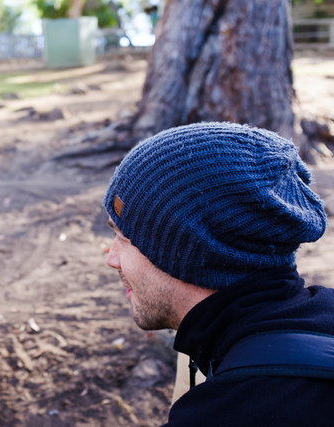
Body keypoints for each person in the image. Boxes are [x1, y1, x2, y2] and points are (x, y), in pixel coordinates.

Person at [103, 122, 334, 426]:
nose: (111, 258)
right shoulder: (322, 312)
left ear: (184, 252)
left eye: (124, 238)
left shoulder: (229, 411)